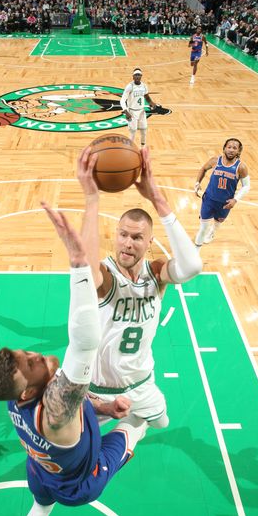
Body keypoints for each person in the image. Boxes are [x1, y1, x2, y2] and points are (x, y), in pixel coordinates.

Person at [0, 149, 147, 516]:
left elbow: (74, 394)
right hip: (81, 481)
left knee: (40, 509)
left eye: (26, 354)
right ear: (29, 389)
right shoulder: (56, 409)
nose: (37, 355)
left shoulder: (16, 394)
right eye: (32, 362)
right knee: (140, 424)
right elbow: (85, 340)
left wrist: (104, 406)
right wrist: (77, 265)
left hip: (41, 470)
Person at [89, 147, 203, 429]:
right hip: (98, 390)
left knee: (162, 423)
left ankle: (131, 427)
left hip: (142, 383)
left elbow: (192, 266)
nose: (128, 243)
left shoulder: (156, 273)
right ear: (115, 236)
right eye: (123, 235)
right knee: (70, 446)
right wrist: (92, 197)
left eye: (137, 237)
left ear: (150, 242)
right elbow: (85, 269)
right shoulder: (106, 275)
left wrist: (156, 198)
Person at [193, 138, 251, 247]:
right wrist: (197, 183)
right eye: (229, 147)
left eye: (234, 148)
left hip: (225, 203)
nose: (231, 150)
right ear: (224, 148)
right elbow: (203, 169)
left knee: (218, 223)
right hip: (209, 199)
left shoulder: (241, 167)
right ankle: (196, 248)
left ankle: (212, 232)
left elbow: (246, 186)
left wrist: (236, 199)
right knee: (203, 227)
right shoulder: (215, 160)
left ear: (239, 151)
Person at [120, 68, 161, 148]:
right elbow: (122, 100)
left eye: (139, 75)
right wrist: (126, 111)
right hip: (132, 111)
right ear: (133, 77)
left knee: (144, 130)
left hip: (141, 111)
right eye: (136, 75)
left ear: (141, 76)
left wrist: (151, 102)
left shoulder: (144, 86)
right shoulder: (130, 86)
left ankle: (143, 148)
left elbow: (146, 96)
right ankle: (129, 149)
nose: (137, 76)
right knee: (133, 131)